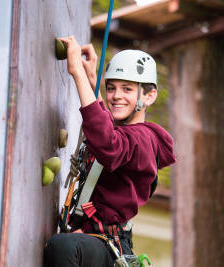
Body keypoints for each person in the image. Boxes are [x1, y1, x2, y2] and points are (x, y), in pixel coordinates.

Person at [44, 36, 176, 267]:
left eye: (127, 89)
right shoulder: (126, 133)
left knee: (63, 247)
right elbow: (107, 128)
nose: (116, 96)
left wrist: (76, 72)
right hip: (92, 236)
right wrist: (91, 79)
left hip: (108, 244)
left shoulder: (146, 140)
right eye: (112, 88)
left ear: (149, 96)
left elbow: (110, 144)